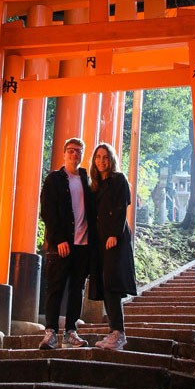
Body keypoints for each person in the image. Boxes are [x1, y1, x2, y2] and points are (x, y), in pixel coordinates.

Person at [39, 137, 96, 349]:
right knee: (55, 288)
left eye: (78, 151)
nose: (74, 155)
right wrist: (60, 239)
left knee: (77, 289)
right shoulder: (54, 179)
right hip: (61, 245)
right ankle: (51, 332)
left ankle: (71, 331)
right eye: (71, 151)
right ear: (64, 154)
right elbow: (47, 211)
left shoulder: (85, 180)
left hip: (83, 245)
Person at [90, 142, 137, 350]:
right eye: (98, 157)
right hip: (99, 241)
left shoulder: (118, 180)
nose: (101, 160)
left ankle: (118, 332)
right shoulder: (95, 184)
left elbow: (121, 207)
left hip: (114, 238)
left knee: (112, 284)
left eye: (105, 157)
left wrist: (114, 234)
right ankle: (113, 331)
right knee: (104, 284)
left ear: (111, 160)